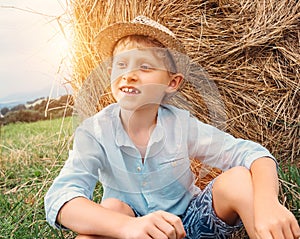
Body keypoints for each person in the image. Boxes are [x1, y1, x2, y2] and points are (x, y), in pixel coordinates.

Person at [45, 16, 300, 239]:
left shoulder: (181, 124)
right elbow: (60, 197)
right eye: (120, 64)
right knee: (112, 207)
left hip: (190, 223)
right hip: (132, 229)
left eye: (144, 66)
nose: (128, 75)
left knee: (239, 179)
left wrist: (268, 203)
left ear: (172, 83)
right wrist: (127, 227)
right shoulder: (95, 132)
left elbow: (253, 154)